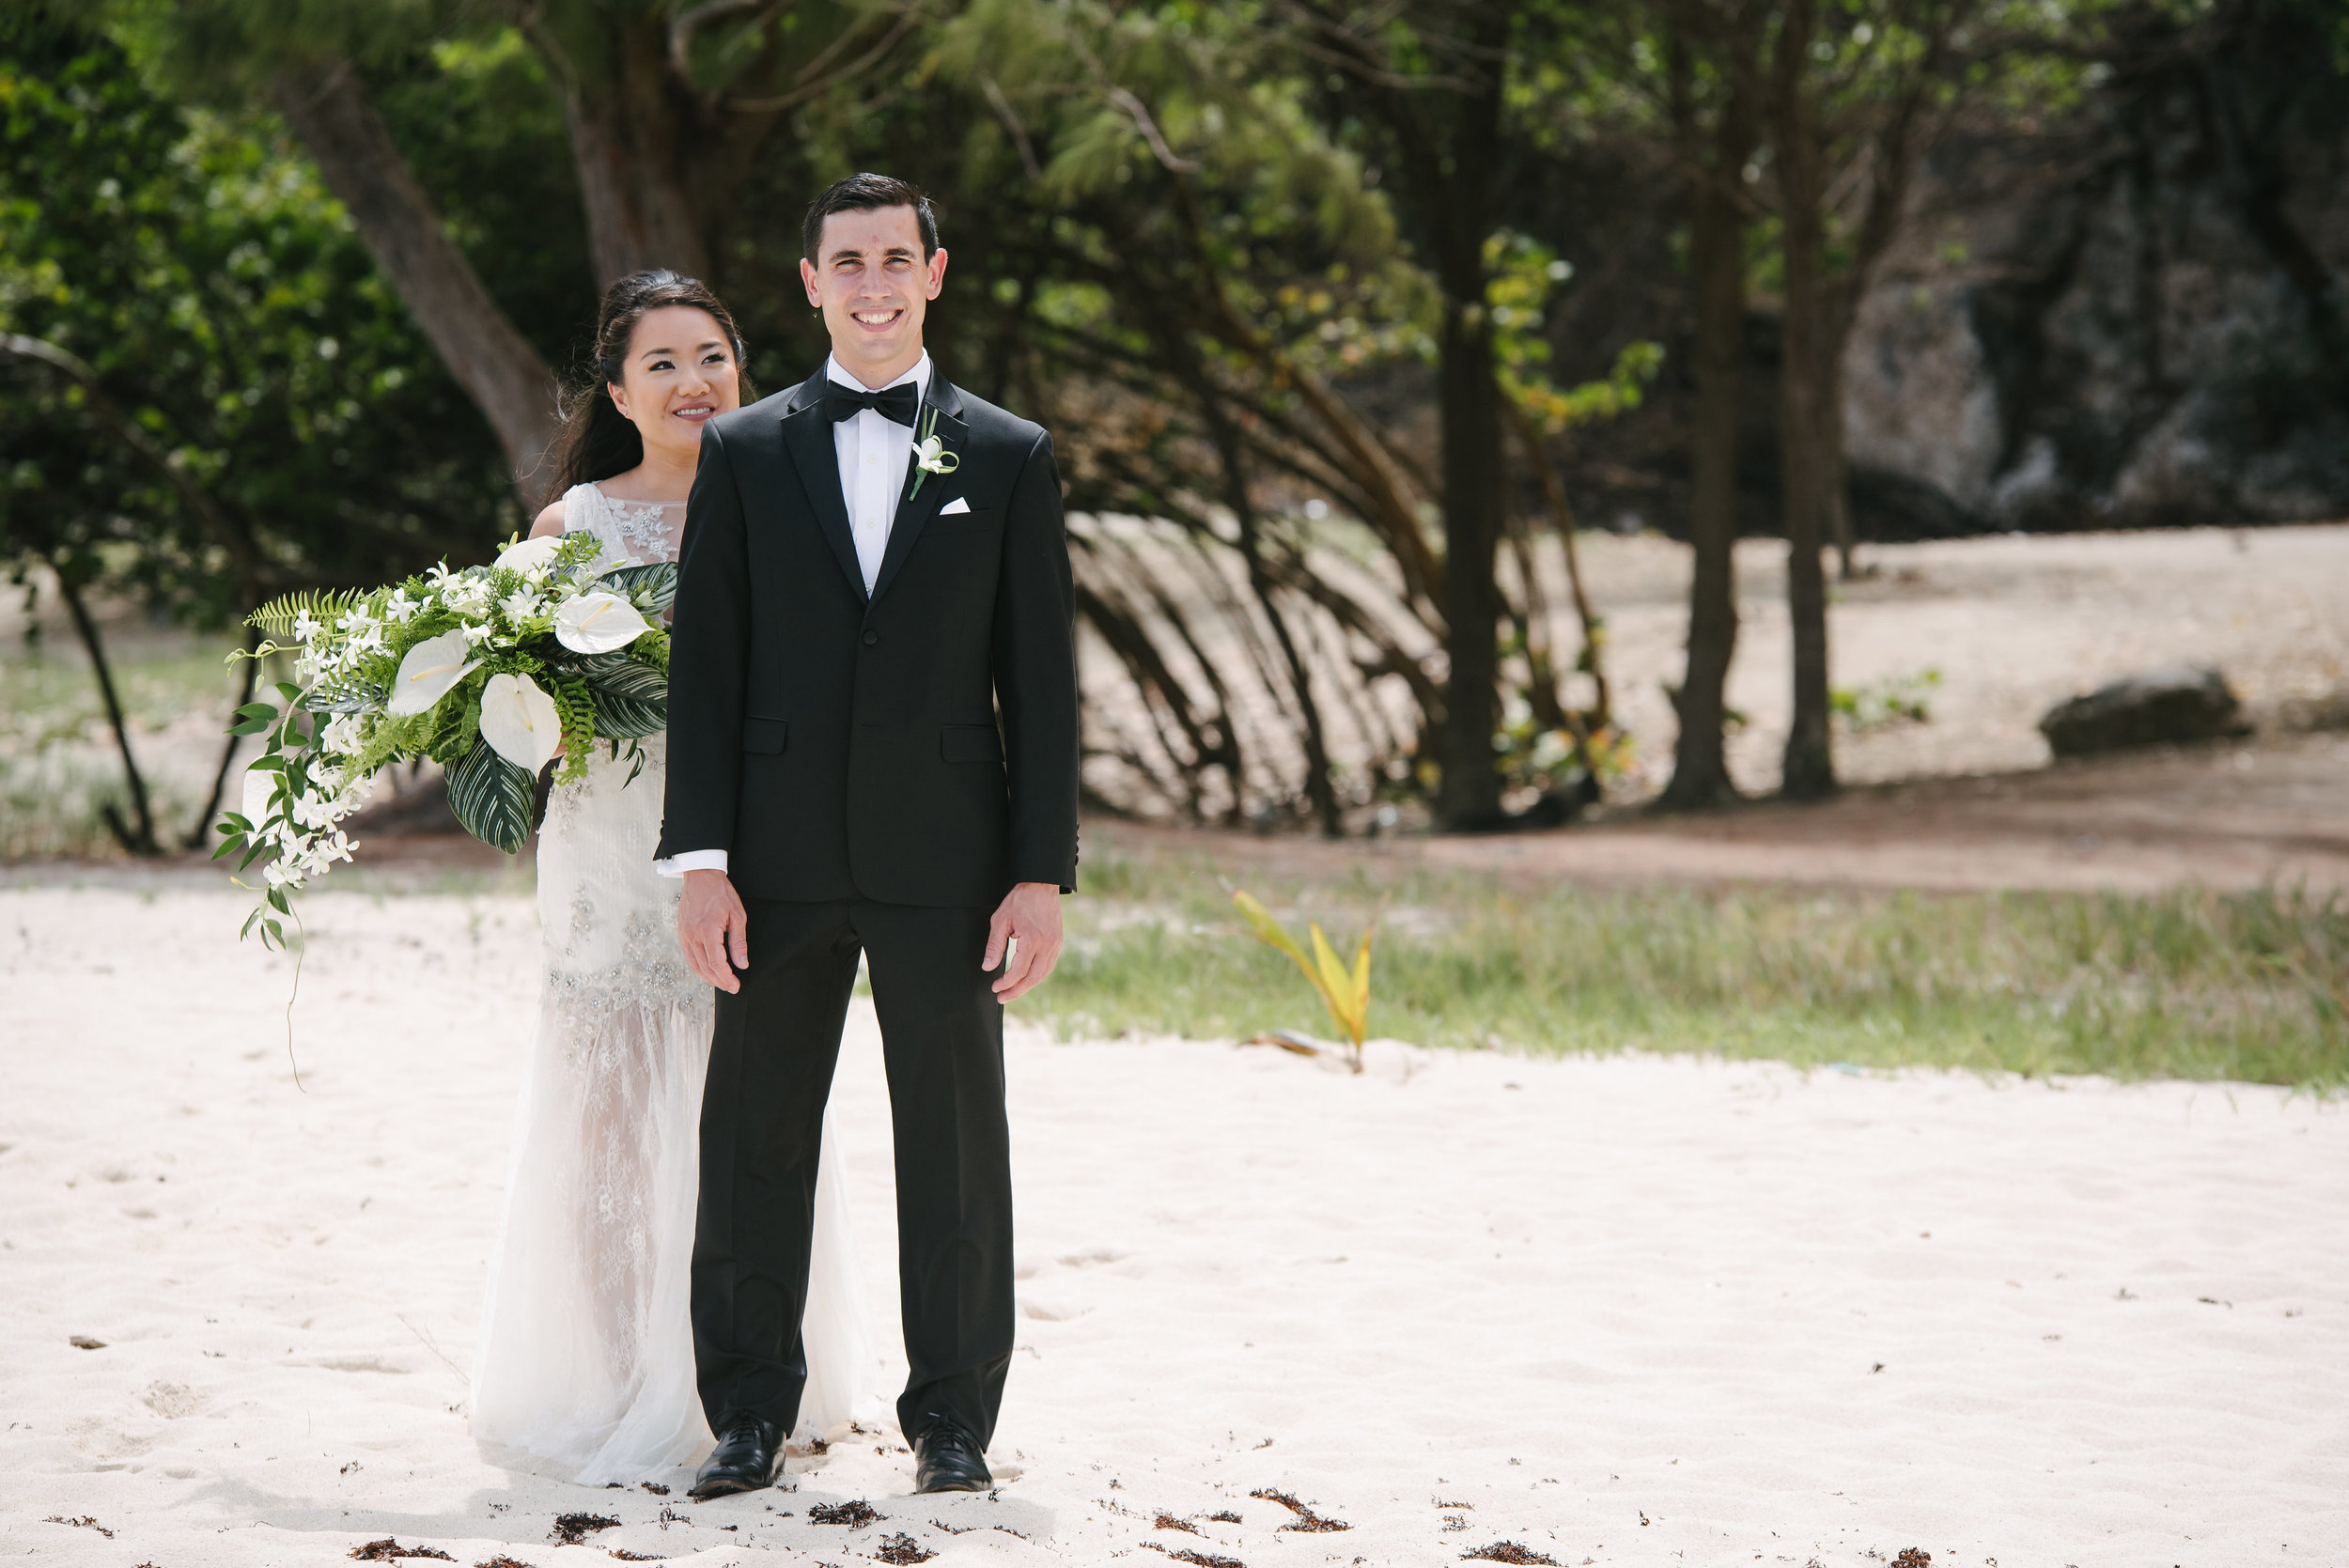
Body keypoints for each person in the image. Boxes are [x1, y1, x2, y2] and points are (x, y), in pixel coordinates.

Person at [658, 173, 1080, 1500]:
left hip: (949, 858)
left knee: (953, 1139)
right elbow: (708, 671)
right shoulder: (745, 449)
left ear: (935, 273)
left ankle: (952, 1419)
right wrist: (701, 857)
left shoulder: (1009, 455)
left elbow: (1044, 682)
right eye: (849, 261)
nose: (875, 282)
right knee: (755, 1134)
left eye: (897, 258)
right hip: (772, 858)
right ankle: (746, 1413)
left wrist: (1041, 870)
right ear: (810, 282)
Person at [470, 270, 884, 1486]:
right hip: (606, 858)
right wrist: (541, 706)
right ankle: (614, 1375)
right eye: (661, 362)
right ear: (616, 390)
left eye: (712, 356)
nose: (693, 381)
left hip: (755, 858)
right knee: (606, 1129)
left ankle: (753, 1380)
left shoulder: (795, 508)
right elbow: (517, 726)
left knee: (755, 1125)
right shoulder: (569, 532)